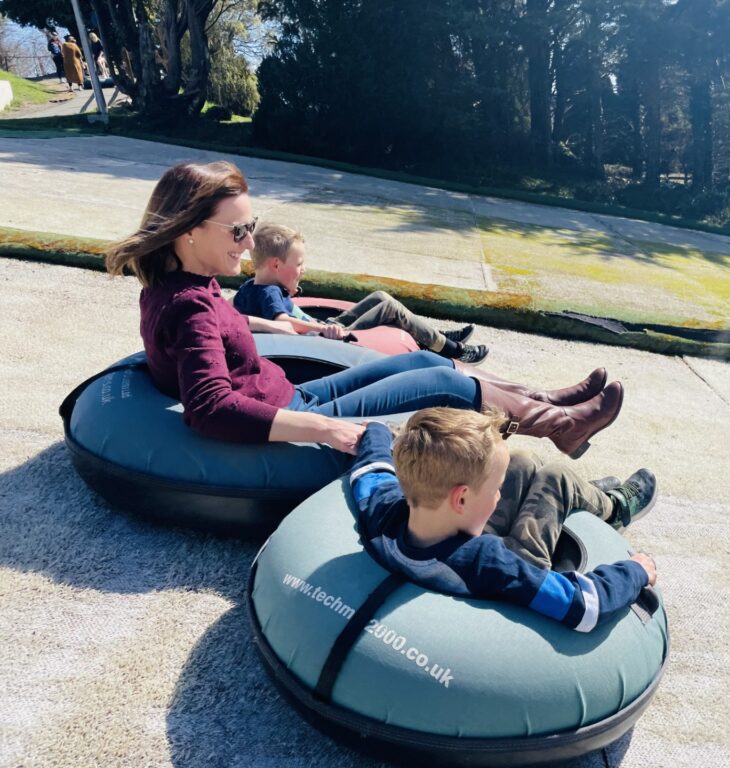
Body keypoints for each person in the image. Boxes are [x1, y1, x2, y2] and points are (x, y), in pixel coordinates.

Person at [104, 161, 624, 457]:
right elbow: (209, 409)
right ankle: (556, 425)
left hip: (291, 390)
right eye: (238, 231)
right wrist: (327, 431)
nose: (248, 243)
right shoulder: (187, 306)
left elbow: (227, 324)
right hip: (299, 414)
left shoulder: (186, 286)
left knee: (425, 362)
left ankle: (543, 397)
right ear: (189, 231)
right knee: (446, 385)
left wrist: (279, 324)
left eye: (251, 226)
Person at [350, 407, 658, 632]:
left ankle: (582, 493)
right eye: (496, 489)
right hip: (519, 564)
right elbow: (584, 606)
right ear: (461, 498)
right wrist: (636, 571)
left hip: (450, 540)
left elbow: (372, 470)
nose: (498, 495)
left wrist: (375, 429)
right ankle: (613, 508)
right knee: (556, 477)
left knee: (522, 462)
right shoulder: (489, 562)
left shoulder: (385, 511)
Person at [234, 222, 489, 364]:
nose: (303, 270)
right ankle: (450, 348)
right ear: (276, 265)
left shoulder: (252, 287)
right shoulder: (268, 292)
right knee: (389, 307)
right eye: (298, 265)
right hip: (325, 336)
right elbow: (282, 323)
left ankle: (433, 335)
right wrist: (323, 330)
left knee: (380, 297)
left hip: (322, 327)